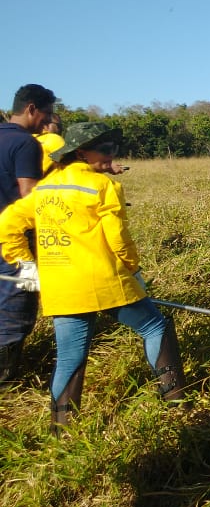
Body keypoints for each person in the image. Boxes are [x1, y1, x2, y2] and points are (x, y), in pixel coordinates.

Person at [0, 122, 187, 431]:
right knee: (156, 327)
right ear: (82, 153)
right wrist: (134, 269)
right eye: (106, 149)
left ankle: (62, 431)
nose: (111, 155)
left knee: (70, 355)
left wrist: (25, 264)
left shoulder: (44, 189)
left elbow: (7, 224)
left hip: (61, 288)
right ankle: (177, 402)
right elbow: (118, 239)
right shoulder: (103, 187)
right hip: (104, 281)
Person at [0, 84, 57, 384]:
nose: (46, 122)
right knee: (15, 308)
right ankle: (6, 381)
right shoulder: (26, 144)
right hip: (14, 240)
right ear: (32, 108)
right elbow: (28, 195)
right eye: (46, 114)